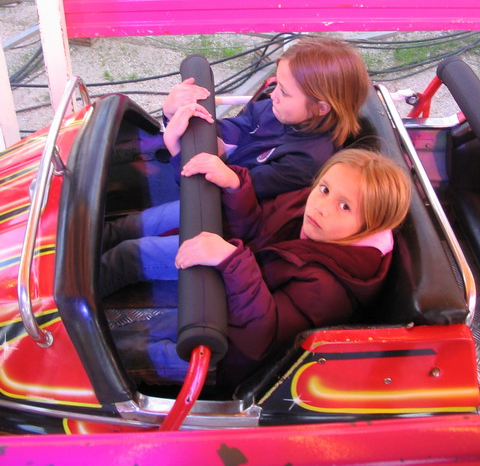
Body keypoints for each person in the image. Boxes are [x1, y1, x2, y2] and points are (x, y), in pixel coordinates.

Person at [103, 142, 411, 388]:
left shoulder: (329, 288)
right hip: (227, 296)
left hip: (230, 353)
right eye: (325, 189)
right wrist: (235, 186)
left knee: (123, 352)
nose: (322, 207)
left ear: (369, 227)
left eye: (344, 206)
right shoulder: (308, 208)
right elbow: (257, 228)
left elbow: (260, 337)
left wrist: (232, 262)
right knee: (128, 282)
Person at [162, 36, 371, 198]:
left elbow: (234, 195)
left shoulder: (304, 162)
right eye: (277, 84)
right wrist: (177, 115)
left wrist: (177, 149)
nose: (273, 95)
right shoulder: (279, 111)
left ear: (321, 108)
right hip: (201, 177)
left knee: (140, 233)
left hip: (218, 211)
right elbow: (235, 130)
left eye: (285, 92)